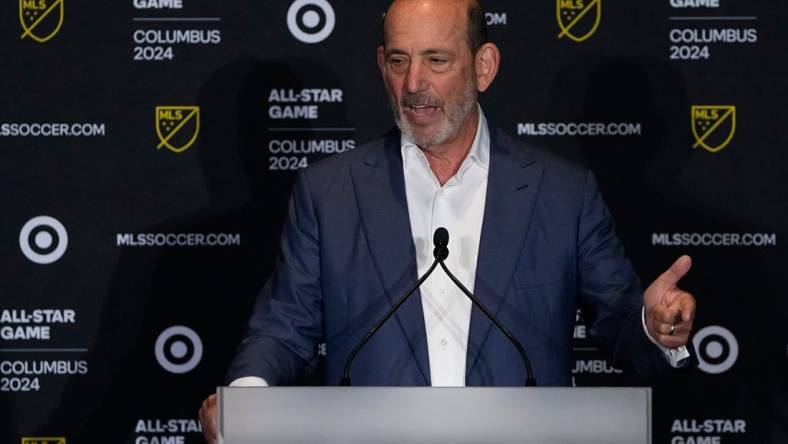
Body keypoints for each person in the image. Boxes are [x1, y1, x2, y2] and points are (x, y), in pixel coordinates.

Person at [199, 0, 697, 441]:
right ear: (381, 65)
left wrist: (655, 330)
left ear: (484, 67)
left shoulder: (562, 194)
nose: (414, 84)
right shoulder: (330, 192)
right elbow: (285, 328)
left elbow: (618, 325)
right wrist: (248, 401)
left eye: (436, 60)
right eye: (399, 61)